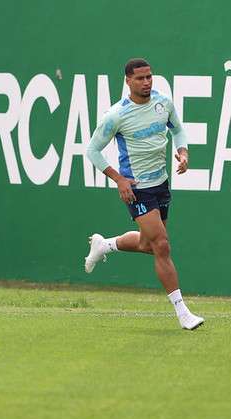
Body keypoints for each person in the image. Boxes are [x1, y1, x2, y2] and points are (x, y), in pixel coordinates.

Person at [82, 58, 204, 331]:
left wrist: (183, 153)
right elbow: (91, 150)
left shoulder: (163, 104)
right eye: (140, 78)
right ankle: (183, 312)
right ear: (128, 81)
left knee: (149, 245)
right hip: (137, 189)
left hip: (161, 183)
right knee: (162, 245)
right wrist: (119, 179)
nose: (147, 82)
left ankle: (105, 245)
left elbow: (179, 130)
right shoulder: (116, 115)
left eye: (149, 77)